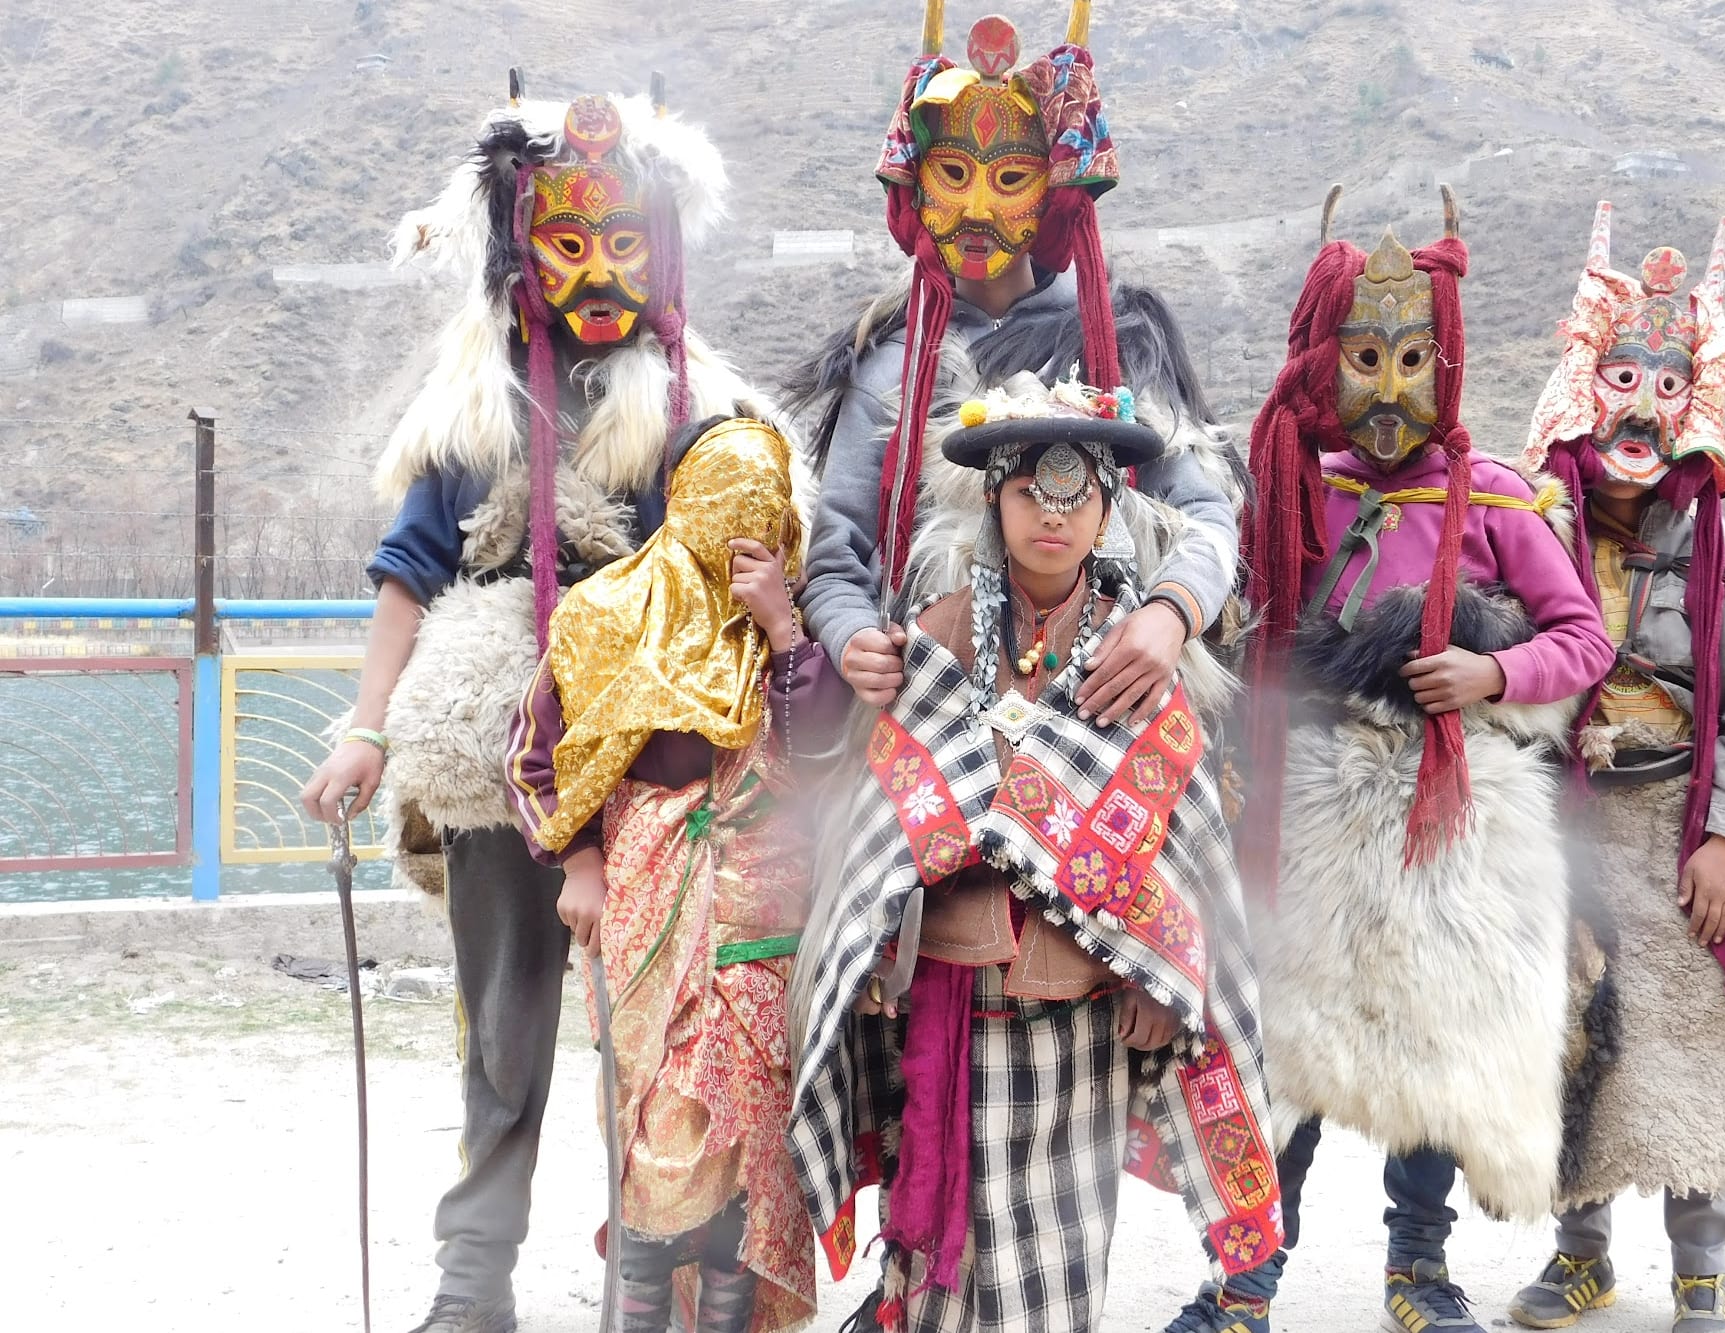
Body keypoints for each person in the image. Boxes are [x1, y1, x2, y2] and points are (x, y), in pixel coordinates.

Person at [298, 82, 769, 1333]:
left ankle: (653, 1281)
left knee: (657, 1035)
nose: (599, 268)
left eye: (623, 242)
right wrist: (366, 727)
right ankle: (472, 1285)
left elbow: (725, 587)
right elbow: (409, 574)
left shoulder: (693, 412)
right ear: (522, 248)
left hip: (656, 755)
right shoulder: (475, 407)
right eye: (569, 243)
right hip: (499, 746)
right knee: (502, 1034)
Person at [1164, 187, 1616, 1333]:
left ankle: (1418, 1269)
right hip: (1310, 809)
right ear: (1326, 356)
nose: (1385, 384)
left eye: (1408, 355)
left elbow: (1581, 636)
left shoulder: (1502, 499)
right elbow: (1239, 627)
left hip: (1442, 810)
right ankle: (1245, 1278)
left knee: (1427, 1045)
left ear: (1445, 358)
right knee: (1291, 1058)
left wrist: (1488, 675)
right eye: (1361, 354)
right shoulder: (1284, 488)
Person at [786, 374, 1284, 1333]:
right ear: (992, 497)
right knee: (940, 1226)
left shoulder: (1139, 650)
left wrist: (1159, 975)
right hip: (950, 989)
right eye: (1029, 493)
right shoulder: (931, 635)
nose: (1053, 516)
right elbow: (882, 816)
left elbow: (1176, 837)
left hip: (1084, 996)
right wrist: (881, 950)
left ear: (1110, 505)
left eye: (1078, 496)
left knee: (1057, 1250)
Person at [1505, 203, 1725, 1333]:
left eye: (1662, 380)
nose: (1637, 403)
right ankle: (1579, 1254)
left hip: (1679, 834)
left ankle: (1703, 1269)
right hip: (1565, 834)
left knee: (1695, 1043)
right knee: (1572, 1046)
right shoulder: (1528, 535)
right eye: (1618, 374)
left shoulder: (1710, 556)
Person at [783, 0, 1244, 738]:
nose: (974, 207)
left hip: (1105, 707)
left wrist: (1169, 614)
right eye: (953, 172)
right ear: (917, 187)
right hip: (926, 713)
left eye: (1011, 178)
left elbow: (1206, 515)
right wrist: (850, 637)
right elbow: (837, 557)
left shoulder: (1117, 342)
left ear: (1055, 191)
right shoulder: (890, 361)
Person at [505, 415, 845, 1333]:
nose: (740, 530)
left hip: (764, 927)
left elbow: (823, 757)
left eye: (761, 509)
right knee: (658, 1138)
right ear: (682, 504)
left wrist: (781, 628)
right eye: (719, 504)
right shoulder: (606, 617)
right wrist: (577, 862)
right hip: (645, 917)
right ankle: (643, 1312)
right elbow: (535, 761)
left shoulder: (797, 630)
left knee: (749, 1157)